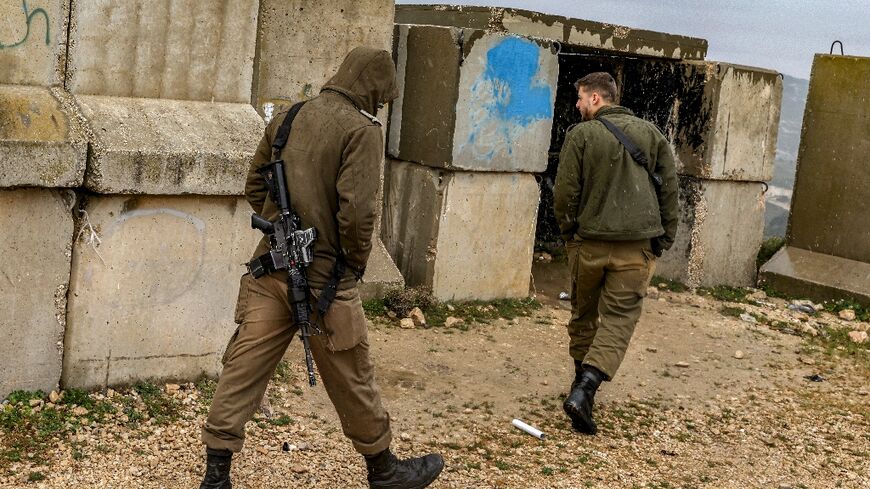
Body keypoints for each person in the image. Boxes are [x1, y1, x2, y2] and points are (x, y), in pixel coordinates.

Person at [198, 47, 444, 489]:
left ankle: (216, 475)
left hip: (271, 269)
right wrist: (350, 265)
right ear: (372, 88)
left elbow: (256, 183)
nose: (381, 106)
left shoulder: (288, 117)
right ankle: (384, 471)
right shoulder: (360, 130)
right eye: (382, 98)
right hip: (326, 279)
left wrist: (278, 227)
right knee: (353, 375)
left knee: (242, 368)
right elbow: (358, 214)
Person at [553, 72, 679, 435]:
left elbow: (565, 193)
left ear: (596, 98)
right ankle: (586, 390)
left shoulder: (580, 136)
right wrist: (664, 239)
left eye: (579, 98)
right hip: (636, 247)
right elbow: (669, 189)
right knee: (620, 318)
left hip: (588, 244)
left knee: (583, 314)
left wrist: (569, 234)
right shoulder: (651, 134)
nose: (576, 106)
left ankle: (580, 387)